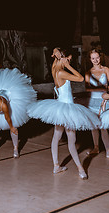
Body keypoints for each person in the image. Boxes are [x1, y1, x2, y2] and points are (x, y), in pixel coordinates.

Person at [28, 48, 100, 179]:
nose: (70, 61)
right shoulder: (61, 72)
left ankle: (56, 166)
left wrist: (58, 55)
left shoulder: (54, 68)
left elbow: (56, 52)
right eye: (69, 59)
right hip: (66, 108)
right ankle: (80, 169)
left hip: (60, 106)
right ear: (63, 58)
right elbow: (80, 78)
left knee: (56, 136)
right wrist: (68, 65)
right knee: (71, 140)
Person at [84, 49, 109, 159]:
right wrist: (100, 88)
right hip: (93, 100)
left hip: (105, 100)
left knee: (103, 126)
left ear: (100, 57)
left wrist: (104, 91)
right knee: (94, 126)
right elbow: (88, 89)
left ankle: (108, 151)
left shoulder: (106, 69)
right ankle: (96, 147)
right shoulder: (88, 72)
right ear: (90, 59)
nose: (95, 60)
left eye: (97, 57)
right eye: (93, 58)